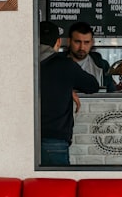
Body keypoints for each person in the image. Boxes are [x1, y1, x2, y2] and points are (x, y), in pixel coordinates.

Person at [39, 20, 99, 166]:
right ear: (59, 42)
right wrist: (68, 87)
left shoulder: (19, 63)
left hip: (23, 140)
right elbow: (92, 86)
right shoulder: (64, 65)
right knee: (58, 188)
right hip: (55, 140)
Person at [66, 21, 115, 92]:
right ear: (69, 41)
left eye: (86, 42)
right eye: (77, 42)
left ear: (92, 42)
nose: (82, 47)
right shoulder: (57, 64)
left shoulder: (102, 66)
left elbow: (111, 95)